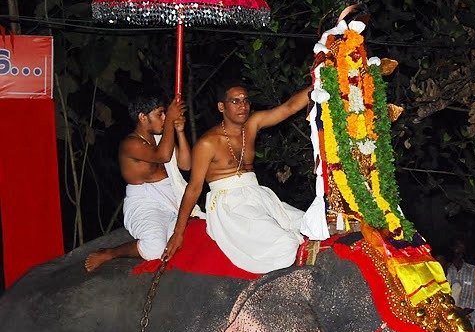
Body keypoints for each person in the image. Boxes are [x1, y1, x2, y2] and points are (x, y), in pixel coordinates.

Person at [164, 84, 312, 273]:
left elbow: (289, 107)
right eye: (235, 101)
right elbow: (193, 188)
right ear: (221, 107)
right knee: (286, 243)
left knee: (308, 224)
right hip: (229, 204)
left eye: (245, 100)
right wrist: (178, 232)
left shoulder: (252, 124)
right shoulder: (207, 143)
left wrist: (319, 80)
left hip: (258, 195)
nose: (243, 106)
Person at [84, 93, 194, 271]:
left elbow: (186, 165)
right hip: (145, 204)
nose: (165, 118)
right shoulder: (130, 144)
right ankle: (110, 252)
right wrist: (171, 124)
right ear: (143, 117)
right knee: (156, 249)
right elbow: (163, 156)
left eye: (166, 114)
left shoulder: (161, 139)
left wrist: (180, 132)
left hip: (170, 200)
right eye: (160, 114)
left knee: (190, 235)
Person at [446, 238, 475, 327]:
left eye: (462, 247)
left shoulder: (473, 271)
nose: (459, 250)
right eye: (457, 247)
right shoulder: (446, 270)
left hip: (467, 316)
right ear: (451, 248)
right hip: (448, 316)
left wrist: (462, 313)